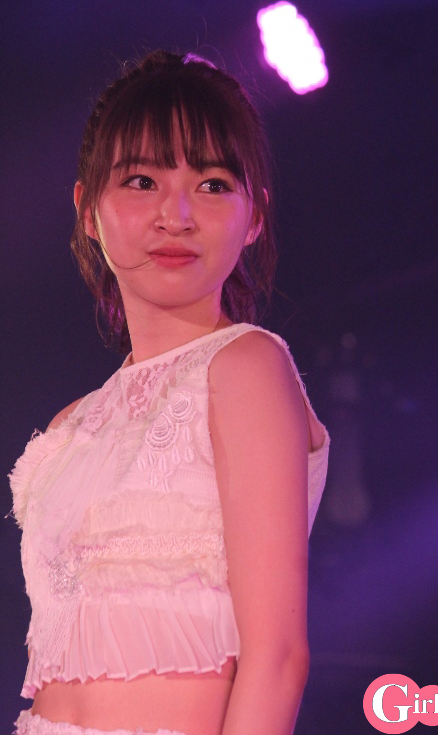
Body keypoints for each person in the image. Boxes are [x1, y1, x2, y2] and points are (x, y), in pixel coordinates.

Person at [9, 50, 330, 735]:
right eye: (141, 180)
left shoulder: (244, 366)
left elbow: (277, 659)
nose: (175, 215)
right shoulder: (72, 425)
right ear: (87, 209)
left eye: (212, 184)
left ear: (254, 216)